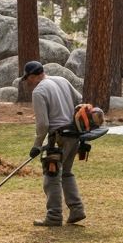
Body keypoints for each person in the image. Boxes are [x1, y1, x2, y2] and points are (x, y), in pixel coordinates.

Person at [20, 60, 87, 227]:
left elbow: (43, 124)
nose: (27, 82)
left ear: (34, 76)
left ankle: (54, 216)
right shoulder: (61, 80)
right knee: (66, 173)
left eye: (27, 78)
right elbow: (80, 101)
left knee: (52, 177)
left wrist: (36, 145)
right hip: (74, 135)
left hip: (57, 138)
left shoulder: (39, 91)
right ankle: (77, 209)